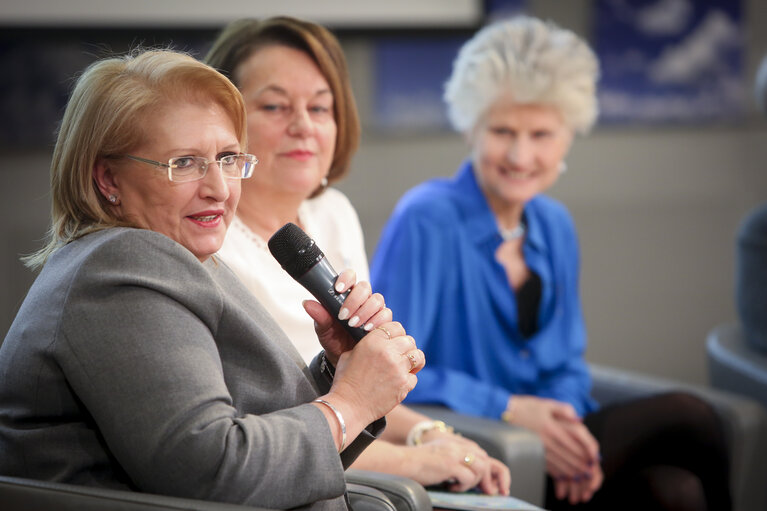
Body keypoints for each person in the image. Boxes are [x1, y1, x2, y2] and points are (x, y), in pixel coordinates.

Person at [0, 48, 425, 511]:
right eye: (184, 162)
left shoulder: (177, 256)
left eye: (227, 158)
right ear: (108, 179)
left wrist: (336, 370)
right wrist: (353, 401)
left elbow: (253, 426)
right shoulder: (120, 268)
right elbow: (212, 470)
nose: (219, 188)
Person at [371, 16, 732, 511]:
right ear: (471, 129)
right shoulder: (426, 218)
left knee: (676, 492)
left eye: (541, 134)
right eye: (502, 131)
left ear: (568, 137)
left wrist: (563, 431)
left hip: (554, 448)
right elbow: (390, 371)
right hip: (479, 449)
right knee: (689, 417)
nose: (521, 155)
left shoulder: (555, 223)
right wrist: (513, 411)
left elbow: (565, 362)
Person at [205, 17, 510, 495]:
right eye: (274, 105)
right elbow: (263, 434)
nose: (303, 126)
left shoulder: (332, 213)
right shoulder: (208, 245)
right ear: (223, 120)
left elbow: (361, 383)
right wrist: (418, 462)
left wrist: (433, 433)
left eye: (320, 108)